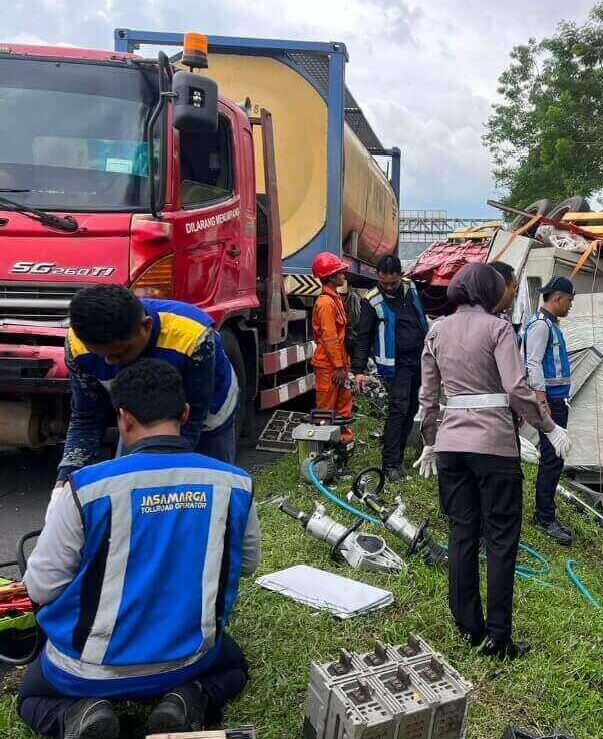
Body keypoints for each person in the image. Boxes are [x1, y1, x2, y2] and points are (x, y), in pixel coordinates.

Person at [19, 359, 260, 739]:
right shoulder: (234, 483)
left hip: (88, 671)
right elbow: (247, 564)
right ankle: (186, 698)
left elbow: (41, 587)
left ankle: (79, 714)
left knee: (31, 698)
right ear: (184, 413)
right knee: (233, 668)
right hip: (189, 661)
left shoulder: (86, 488)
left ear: (124, 418)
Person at [414, 263, 568, 660]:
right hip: (494, 446)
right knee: (501, 540)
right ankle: (498, 637)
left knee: (461, 532)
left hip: (451, 445)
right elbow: (517, 389)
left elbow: (428, 398)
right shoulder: (498, 329)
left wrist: (431, 441)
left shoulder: (436, 330)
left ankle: (468, 626)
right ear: (488, 291)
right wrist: (548, 427)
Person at [57, 285, 239, 491]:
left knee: (214, 489)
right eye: (100, 355)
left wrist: (166, 475)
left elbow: (193, 417)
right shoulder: (78, 344)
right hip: (137, 413)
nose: (110, 363)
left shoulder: (191, 337)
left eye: (119, 353)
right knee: (129, 489)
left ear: (146, 325)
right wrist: (67, 476)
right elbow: (86, 416)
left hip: (207, 414)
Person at [351, 254, 430, 481]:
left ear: (401, 276)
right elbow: (363, 338)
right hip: (395, 365)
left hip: (418, 359)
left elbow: (420, 317)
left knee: (413, 408)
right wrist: (358, 371)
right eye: (384, 283)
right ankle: (390, 463)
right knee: (399, 409)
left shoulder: (411, 289)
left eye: (392, 283)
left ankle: (400, 450)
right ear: (378, 277)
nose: (388, 287)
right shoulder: (372, 300)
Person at [522, 276, 576, 546]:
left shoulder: (549, 325)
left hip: (556, 401)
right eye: (569, 300)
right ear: (557, 298)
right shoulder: (541, 326)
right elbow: (533, 365)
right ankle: (544, 516)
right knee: (552, 459)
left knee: (555, 459)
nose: (570, 306)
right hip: (549, 403)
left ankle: (546, 512)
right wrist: (542, 403)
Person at [310, 251, 354, 444]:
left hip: (338, 363)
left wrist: (342, 365)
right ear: (331, 276)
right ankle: (323, 449)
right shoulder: (326, 303)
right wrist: (337, 365)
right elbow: (329, 338)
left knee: (343, 405)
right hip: (329, 366)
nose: (343, 275)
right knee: (326, 410)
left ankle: (342, 444)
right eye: (340, 272)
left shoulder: (334, 299)